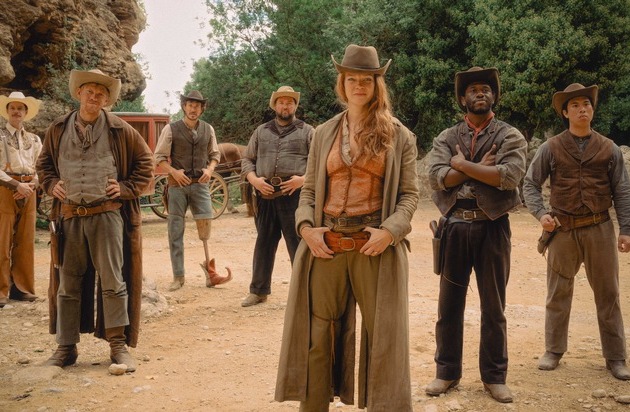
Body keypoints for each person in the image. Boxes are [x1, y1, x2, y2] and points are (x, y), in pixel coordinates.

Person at [275, 44, 419, 411]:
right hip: (328, 243)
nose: (358, 86)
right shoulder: (324, 132)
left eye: (366, 80)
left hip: (375, 246)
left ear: (376, 84)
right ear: (342, 83)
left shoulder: (399, 135)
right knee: (317, 333)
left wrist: (390, 231)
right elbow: (309, 190)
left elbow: (409, 195)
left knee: (383, 335)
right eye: (351, 79)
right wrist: (306, 228)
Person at [37, 69, 153, 372]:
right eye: (89, 91)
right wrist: (51, 184)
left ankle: (118, 346)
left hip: (107, 215)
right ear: (79, 93)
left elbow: (146, 162)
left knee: (114, 281)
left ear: (107, 100)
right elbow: (44, 164)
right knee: (67, 283)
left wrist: (126, 188)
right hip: (70, 217)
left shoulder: (120, 129)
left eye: (101, 93)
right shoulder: (58, 128)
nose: (94, 97)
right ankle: (66, 348)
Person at [426, 67, 527, 403]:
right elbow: (436, 177)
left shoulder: (510, 135)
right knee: (449, 306)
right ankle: (446, 372)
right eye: (473, 90)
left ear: (494, 96)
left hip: (493, 226)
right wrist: (482, 168)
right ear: (462, 99)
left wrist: (461, 165)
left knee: (494, 307)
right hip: (454, 226)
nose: (480, 93)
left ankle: (494, 377)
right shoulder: (446, 137)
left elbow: (509, 177)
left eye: (486, 89)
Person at [523, 83, 630, 380]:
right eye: (575, 105)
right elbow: (530, 184)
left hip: (600, 228)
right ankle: (553, 350)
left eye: (586, 104)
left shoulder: (609, 148)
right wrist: (541, 214)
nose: (582, 109)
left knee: (608, 293)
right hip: (563, 229)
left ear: (592, 110)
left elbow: (622, 191)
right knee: (558, 292)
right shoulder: (551, 147)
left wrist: (626, 229)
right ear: (565, 113)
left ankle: (616, 356)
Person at [239, 86, 313, 307]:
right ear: (275, 106)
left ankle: (303, 294)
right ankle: (258, 291)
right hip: (266, 195)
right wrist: (255, 181)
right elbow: (247, 160)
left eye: (290, 102)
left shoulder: (308, 131)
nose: (285, 106)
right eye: (281, 102)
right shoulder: (261, 131)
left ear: (295, 106)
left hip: (295, 196)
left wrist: (303, 180)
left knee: (297, 244)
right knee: (264, 243)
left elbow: (320, 162)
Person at [154, 90, 232, 291]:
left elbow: (215, 155)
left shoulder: (208, 129)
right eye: (190, 105)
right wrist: (174, 172)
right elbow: (159, 158)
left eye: (197, 106)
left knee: (205, 229)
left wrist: (210, 169)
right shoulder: (171, 129)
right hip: (177, 187)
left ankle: (211, 274)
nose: (193, 109)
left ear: (202, 109)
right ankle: (178, 277)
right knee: (175, 231)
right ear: (184, 107)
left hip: (200, 185)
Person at [0, 92, 43, 308]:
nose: (16, 111)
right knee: (2, 239)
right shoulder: (0, 137)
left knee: (25, 240)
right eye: (13, 108)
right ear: (7, 111)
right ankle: (1, 290)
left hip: (29, 189)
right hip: (5, 189)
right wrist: (16, 185)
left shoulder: (34, 139)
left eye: (20, 108)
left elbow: (42, 165)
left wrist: (31, 185)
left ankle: (22, 288)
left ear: (26, 112)